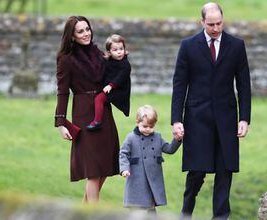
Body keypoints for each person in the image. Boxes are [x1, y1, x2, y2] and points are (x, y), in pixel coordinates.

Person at [171, 2, 251, 219]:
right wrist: (176, 120)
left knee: (225, 171)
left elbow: (244, 84)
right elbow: (179, 84)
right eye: (211, 24)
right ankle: (186, 213)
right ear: (202, 22)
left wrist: (244, 118)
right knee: (196, 172)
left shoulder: (236, 46)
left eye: (219, 23)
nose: (216, 28)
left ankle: (221, 217)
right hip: (197, 118)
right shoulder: (188, 46)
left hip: (226, 118)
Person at [54, 16, 120, 203]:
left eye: (87, 29)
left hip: (104, 111)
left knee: (105, 166)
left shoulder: (98, 53)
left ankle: (82, 212)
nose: (86, 34)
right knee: (93, 170)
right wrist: (61, 123)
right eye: (80, 31)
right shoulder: (66, 59)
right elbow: (62, 92)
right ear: (72, 36)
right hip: (83, 113)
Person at [119, 105, 182, 212]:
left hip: (153, 179)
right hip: (137, 179)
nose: (148, 129)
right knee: (136, 210)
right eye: (145, 126)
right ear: (137, 122)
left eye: (151, 126)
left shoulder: (157, 137)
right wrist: (124, 169)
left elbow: (169, 149)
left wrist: (177, 140)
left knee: (151, 210)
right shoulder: (131, 138)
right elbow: (123, 154)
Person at [87, 34, 131, 131]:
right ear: (109, 52)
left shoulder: (125, 64)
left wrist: (111, 86)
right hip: (110, 87)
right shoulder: (109, 61)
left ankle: (97, 121)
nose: (119, 52)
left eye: (121, 48)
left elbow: (121, 77)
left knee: (99, 99)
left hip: (118, 90)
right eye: (115, 50)